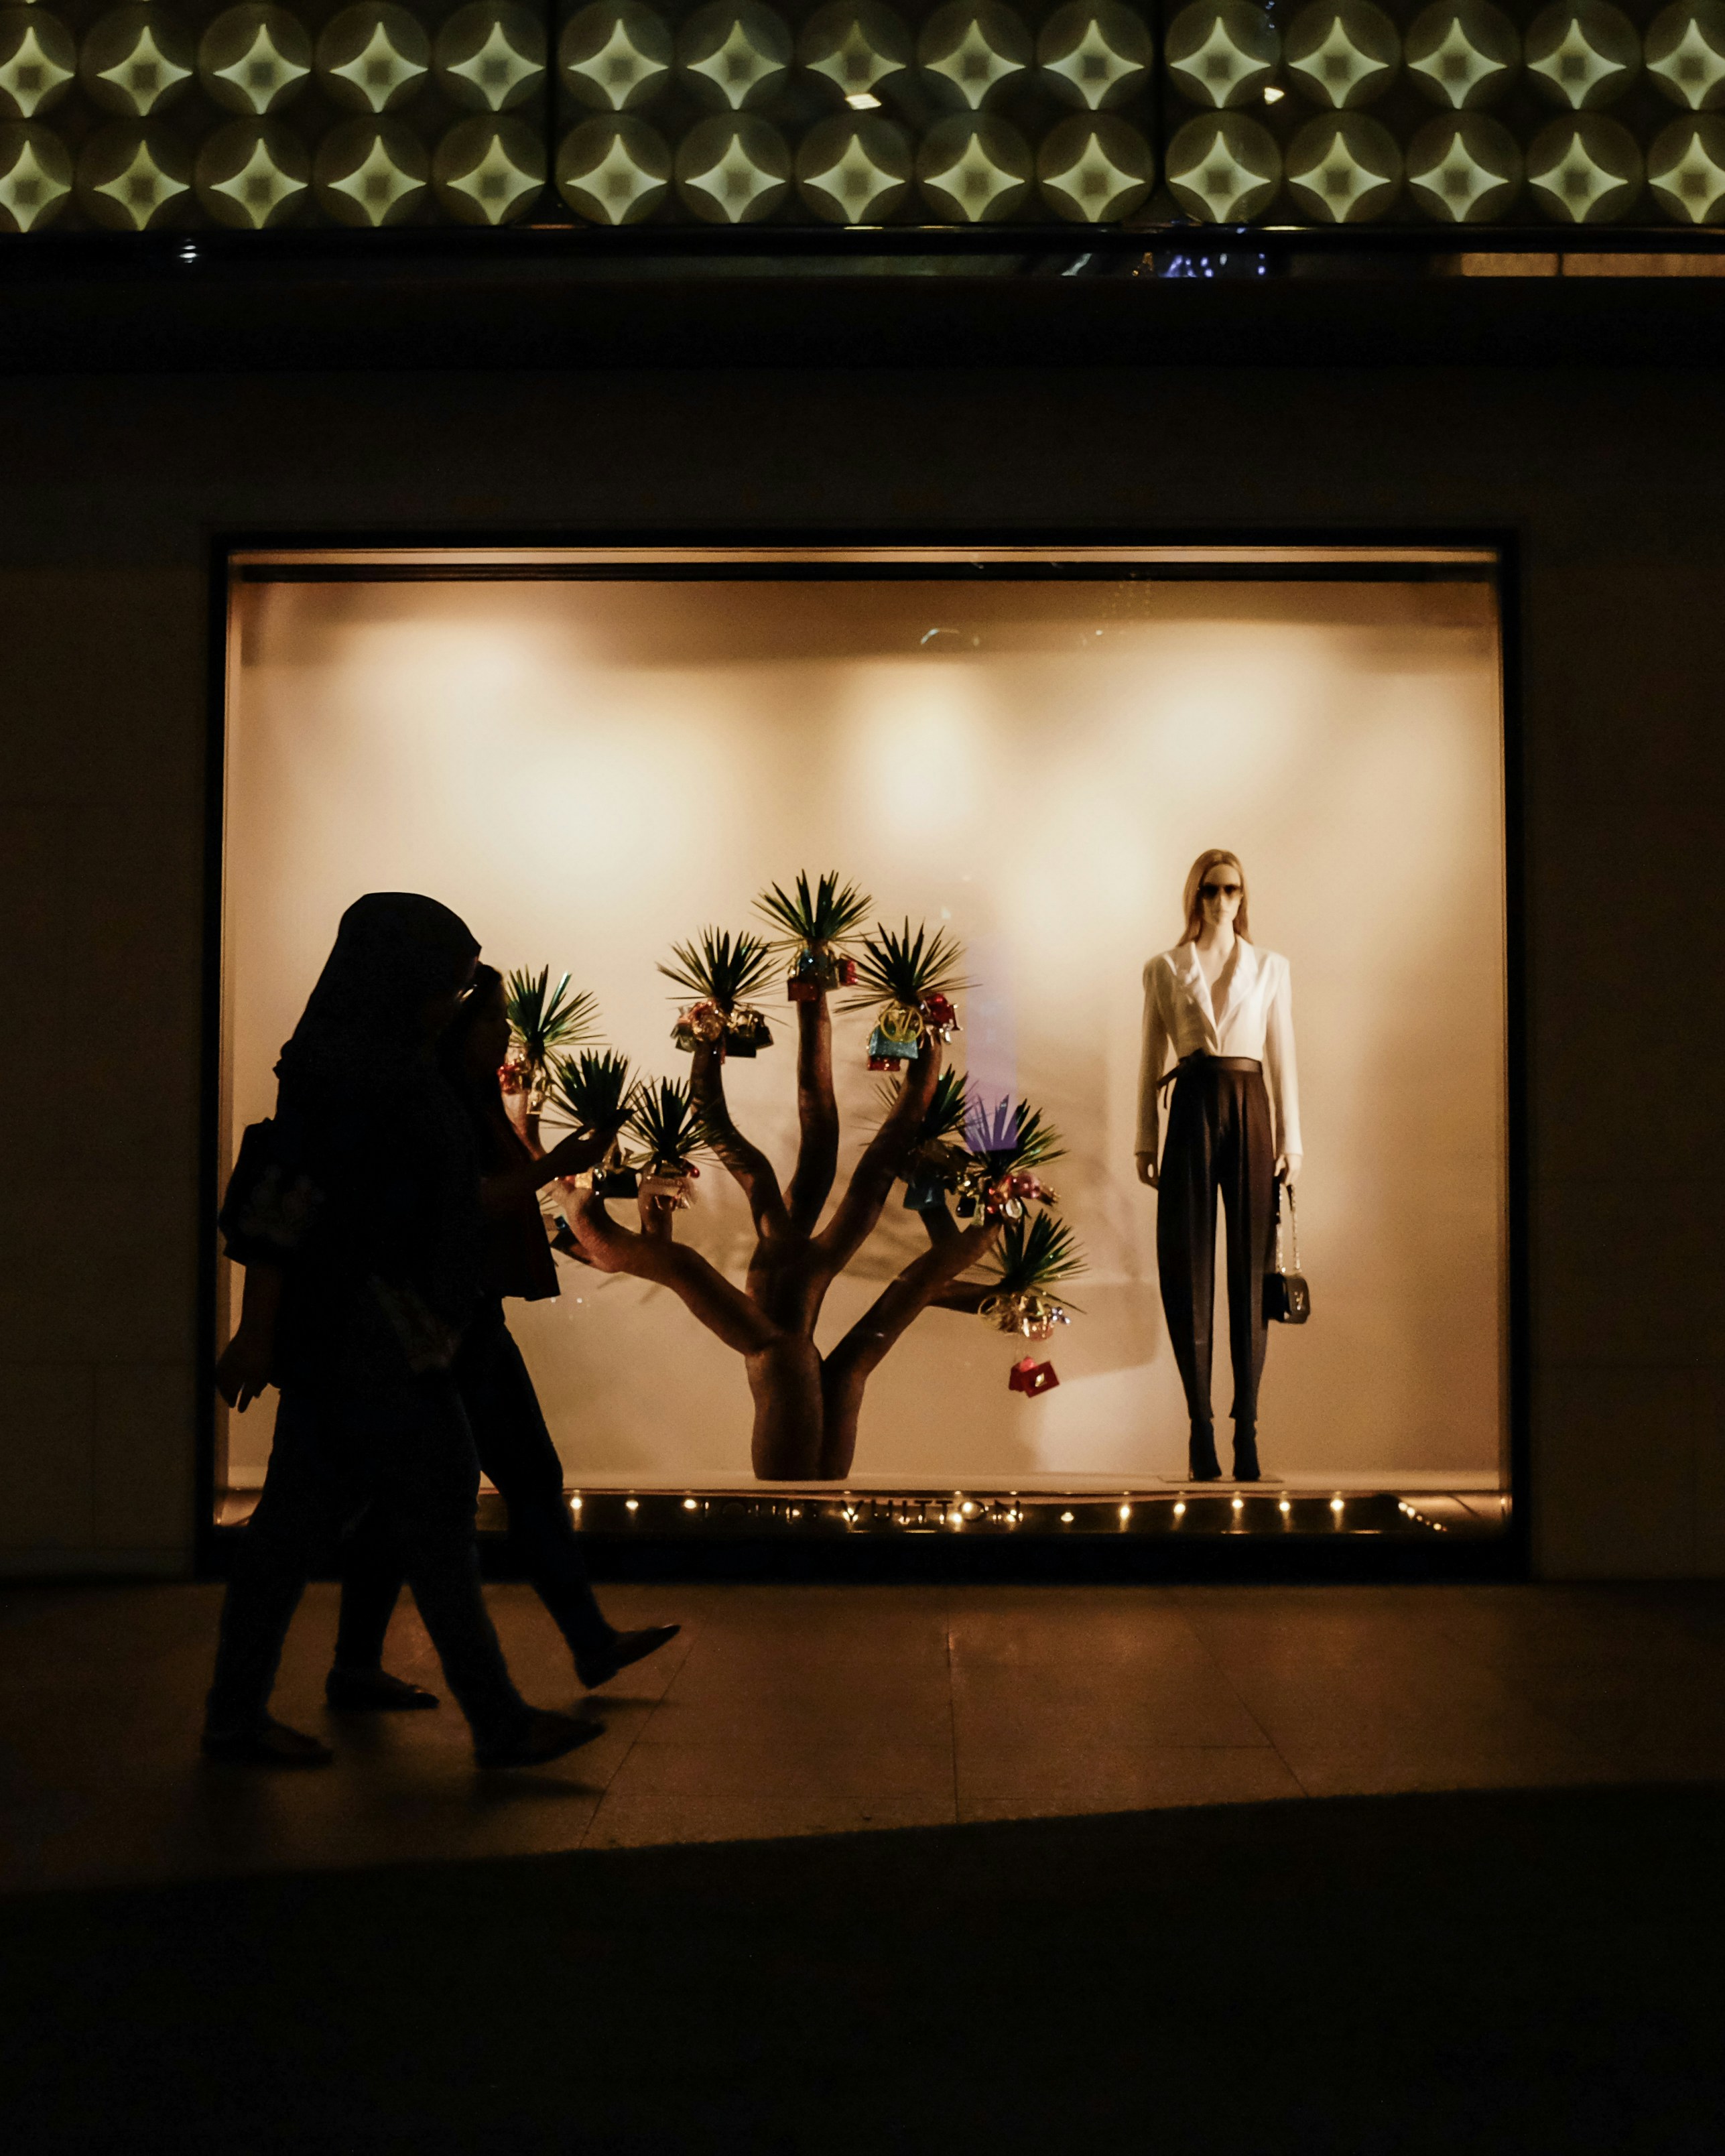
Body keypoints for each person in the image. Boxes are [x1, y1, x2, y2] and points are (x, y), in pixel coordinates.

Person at [206, 893, 600, 1770]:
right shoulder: (346, 1077)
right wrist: (255, 1333)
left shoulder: (358, 1062)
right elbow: (286, 1206)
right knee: (427, 1507)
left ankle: (242, 1714)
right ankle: (495, 1720)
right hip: (367, 1335)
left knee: (311, 1526)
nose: (453, 1001)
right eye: (447, 983)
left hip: (372, 1333)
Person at [327, 964, 678, 1711]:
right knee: (472, 1487)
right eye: (492, 1023)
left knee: (474, 1485)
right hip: (448, 1319)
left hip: (468, 1314)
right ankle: (551, 1666)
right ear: (456, 1028)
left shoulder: (462, 1099)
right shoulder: (439, 1105)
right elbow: (463, 1202)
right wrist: (559, 1164)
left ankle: (576, 1645)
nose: (505, 1037)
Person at [1135, 850, 1301, 1484]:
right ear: (1195, 895)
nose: (1221, 899)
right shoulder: (1163, 969)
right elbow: (1150, 1057)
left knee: (1251, 1268)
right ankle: (1200, 1426)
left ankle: (1248, 1427)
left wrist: (1293, 1140)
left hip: (1251, 1103)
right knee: (1187, 1263)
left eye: (1231, 889)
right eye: (1210, 889)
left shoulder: (1270, 968)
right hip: (1193, 1106)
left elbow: (1283, 1054)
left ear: (1243, 896)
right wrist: (1144, 1139)